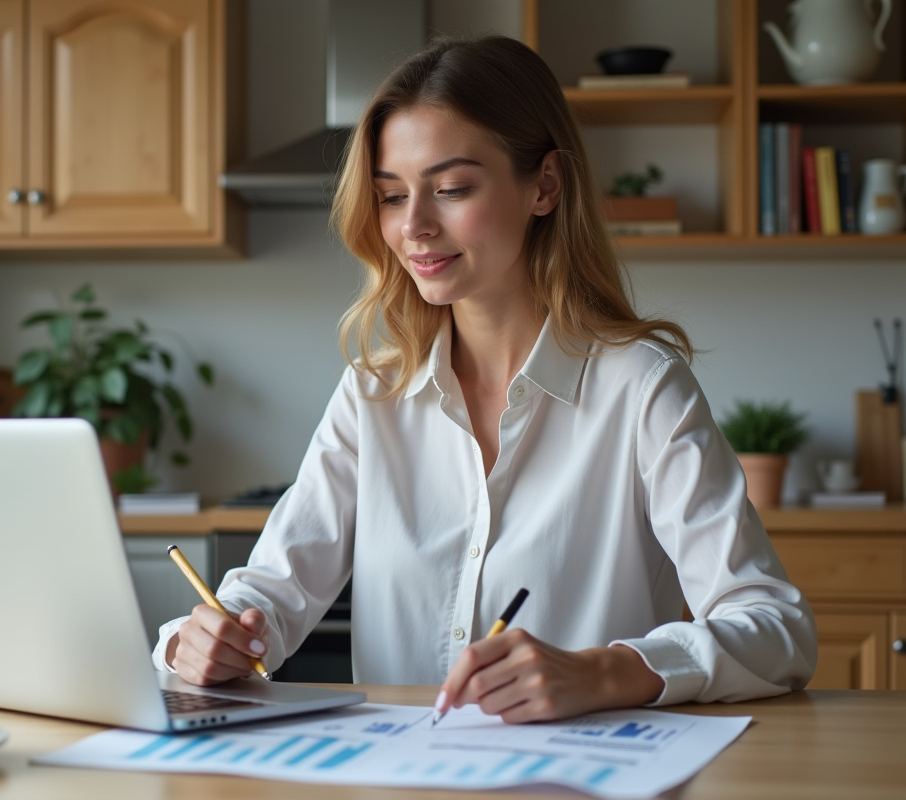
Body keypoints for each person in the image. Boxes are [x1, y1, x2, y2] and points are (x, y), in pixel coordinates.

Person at [152, 35, 816, 722]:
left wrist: (605, 671)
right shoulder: (373, 395)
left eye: (452, 189)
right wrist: (202, 642)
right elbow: (267, 594)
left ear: (545, 186)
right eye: (390, 196)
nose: (414, 226)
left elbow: (776, 629)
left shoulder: (642, 389)